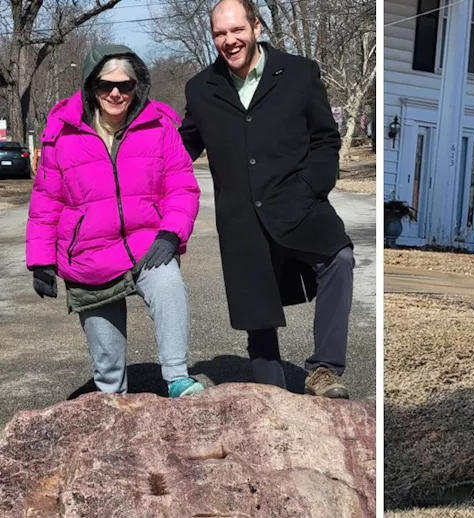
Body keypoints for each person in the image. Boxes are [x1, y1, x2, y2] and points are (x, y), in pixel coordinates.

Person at [178, 0, 354, 399]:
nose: (229, 40)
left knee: (339, 258)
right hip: (241, 217)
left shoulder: (299, 73)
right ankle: (272, 398)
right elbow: (182, 145)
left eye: (237, 29)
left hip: (299, 203)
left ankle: (324, 370)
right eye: (220, 33)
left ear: (256, 26)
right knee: (257, 312)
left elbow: (325, 138)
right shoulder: (200, 88)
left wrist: (311, 187)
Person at [25, 45, 205, 398]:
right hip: (90, 254)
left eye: (125, 85)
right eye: (106, 85)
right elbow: (47, 200)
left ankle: (177, 376)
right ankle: (110, 406)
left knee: (169, 285)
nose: (116, 93)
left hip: (146, 243)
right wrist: (42, 261)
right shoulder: (62, 133)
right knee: (108, 373)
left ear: (138, 85)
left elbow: (182, 185)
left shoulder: (160, 125)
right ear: (91, 86)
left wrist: (170, 233)